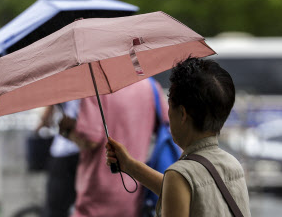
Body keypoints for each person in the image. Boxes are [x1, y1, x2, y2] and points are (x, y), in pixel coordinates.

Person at [106, 58, 251, 217]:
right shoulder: (232, 164)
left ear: (182, 114)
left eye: (169, 104)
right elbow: (184, 189)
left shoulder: (179, 174)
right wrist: (129, 165)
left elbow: (180, 184)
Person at [61, 78, 168, 217]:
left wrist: (68, 131)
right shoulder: (151, 86)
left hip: (98, 192)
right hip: (135, 188)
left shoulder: (96, 87)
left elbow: (90, 140)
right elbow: (167, 123)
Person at [37, 100, 81, 217]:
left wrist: (41, 125)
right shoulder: (96, 89)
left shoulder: (63, 86)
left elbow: (45, 119)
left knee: (55, 208)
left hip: (65, 152)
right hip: (89, 155)